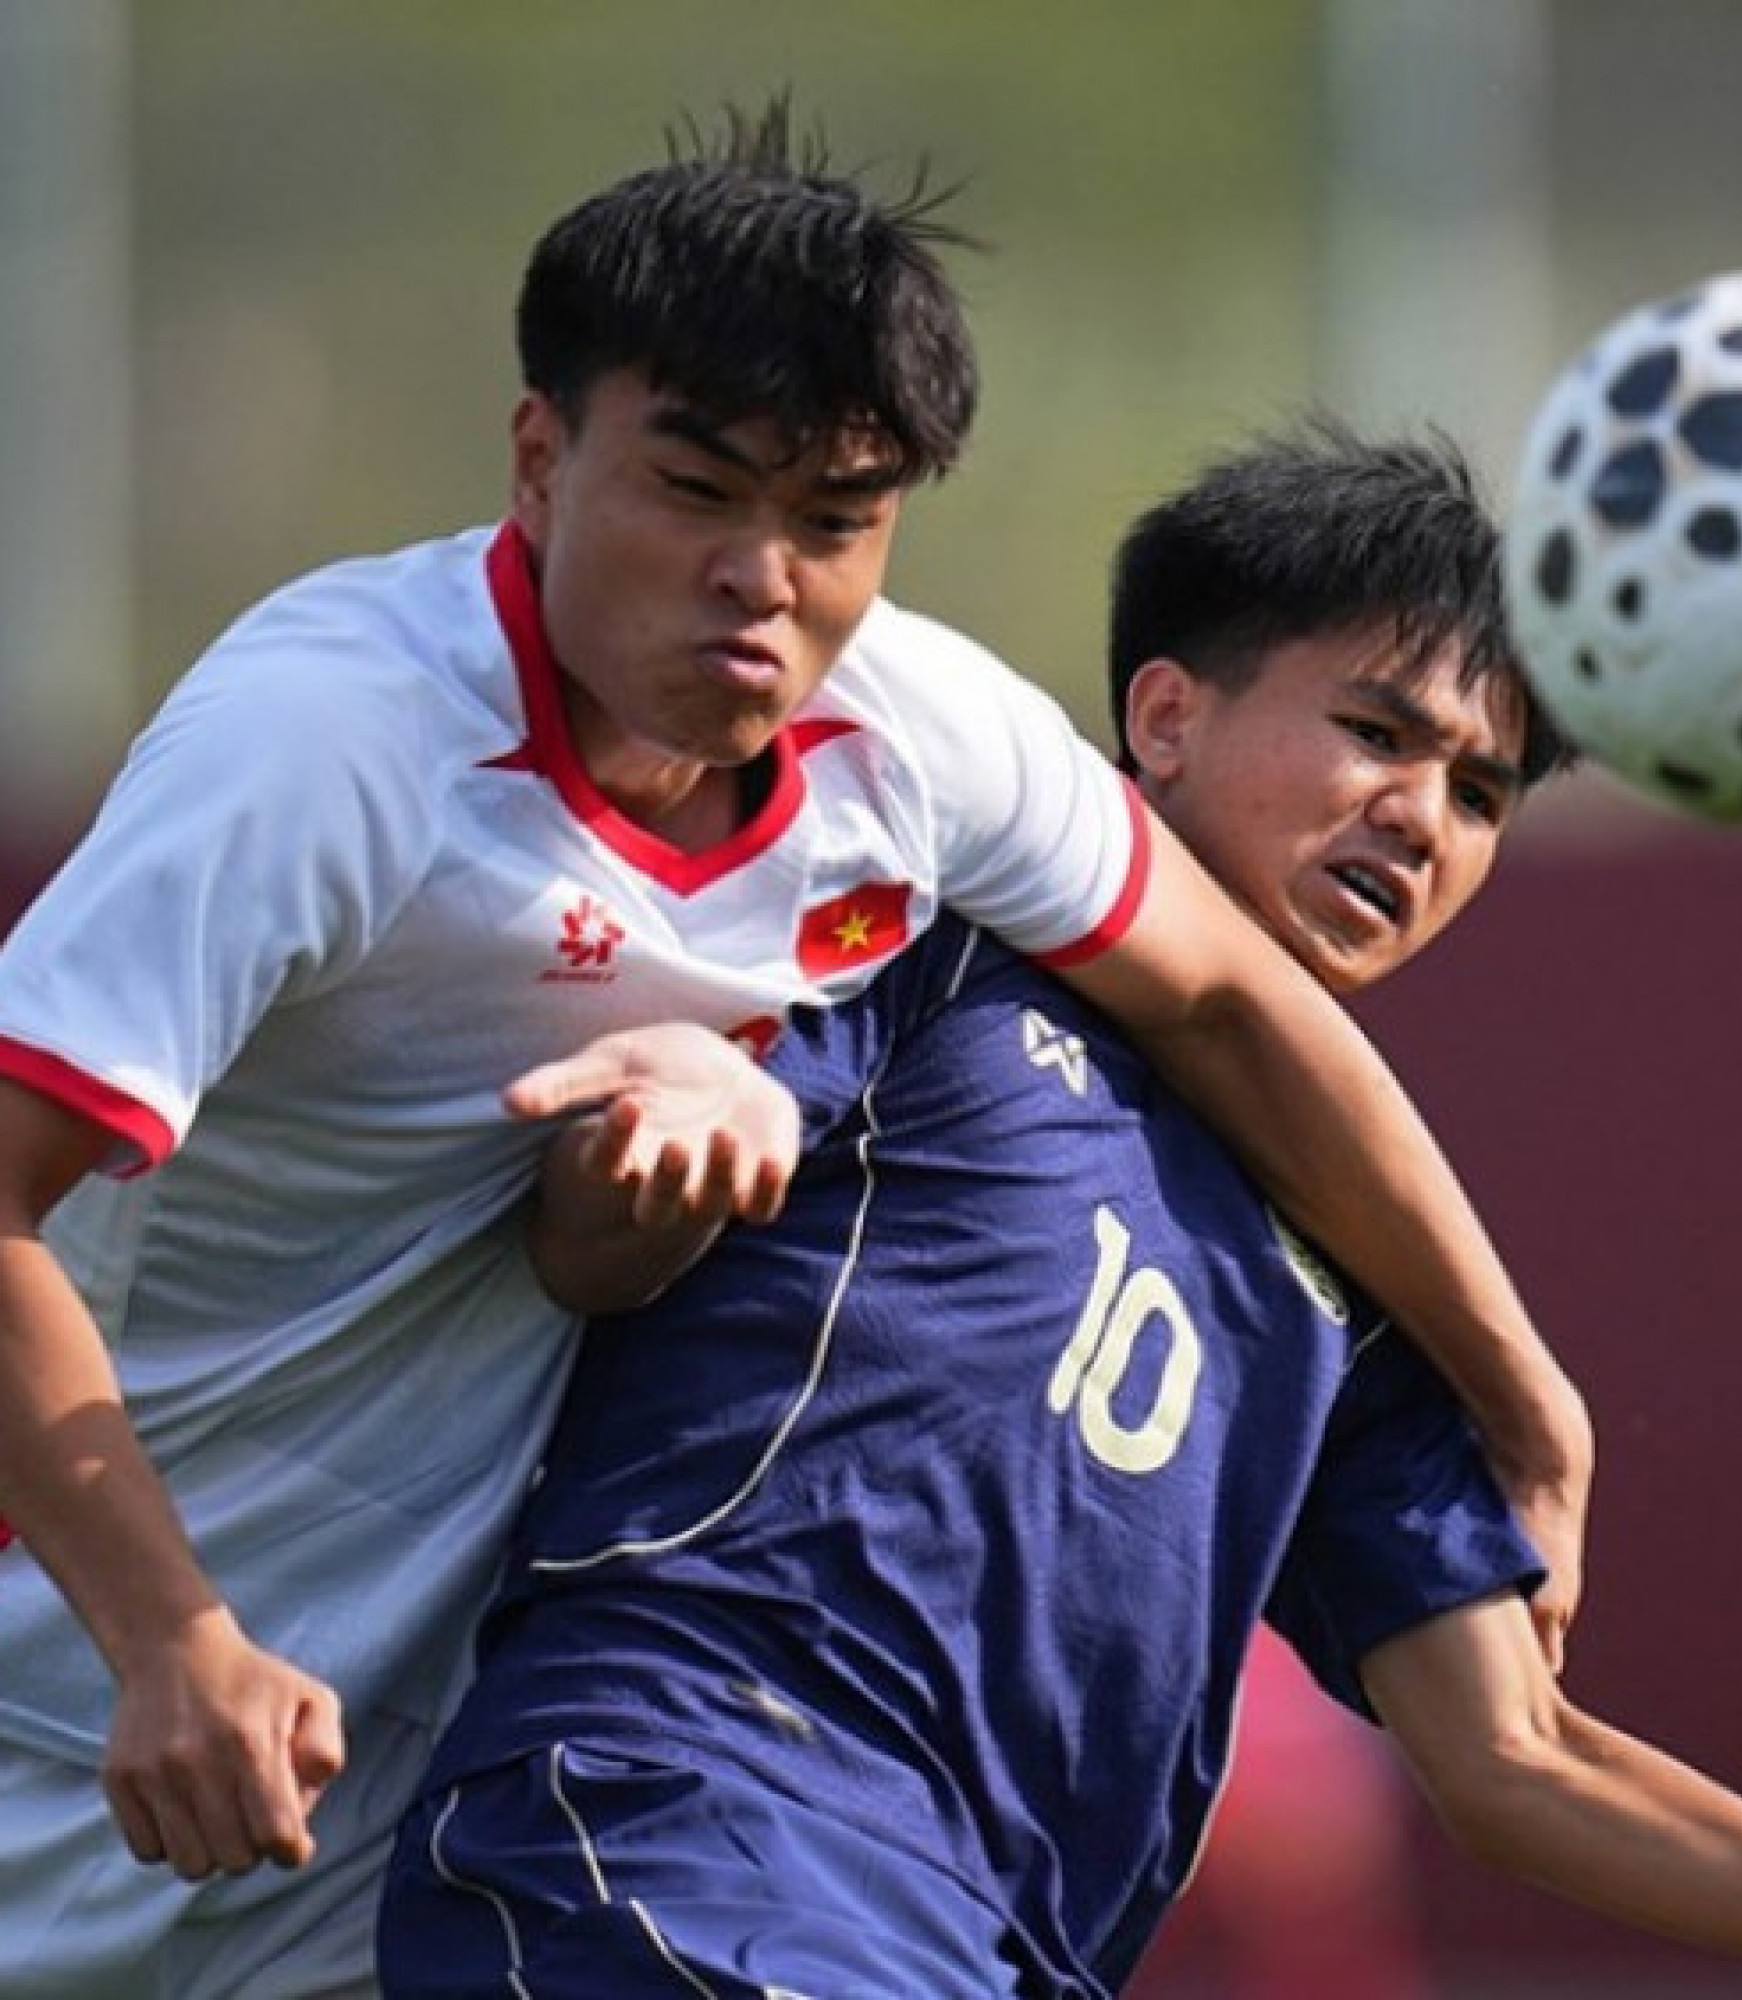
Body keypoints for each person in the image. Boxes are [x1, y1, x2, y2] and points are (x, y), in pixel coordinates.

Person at [0, 102, 1588, 1998]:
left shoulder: (917, 737)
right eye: (697, 489)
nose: (765, 576)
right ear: (540, 456)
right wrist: (170, 1634)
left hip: (423, 1780)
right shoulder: (321, 745)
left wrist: (1524, 1392)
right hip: (89, 1697)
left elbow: (1235, 1001)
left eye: (834, 519)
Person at [375, 418, 1742, 1996]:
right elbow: (585, 1246)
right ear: (1162, 716)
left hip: (975, 1946)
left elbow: (1515, 1758)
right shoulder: (931, 926)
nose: (1423, 817)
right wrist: (654, 1148)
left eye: (1484, 792)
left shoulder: (1366, 1291)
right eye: (1378, 733)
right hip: (701, 1814)